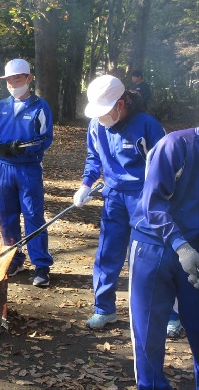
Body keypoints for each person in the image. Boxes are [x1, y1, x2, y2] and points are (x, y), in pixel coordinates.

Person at [73, 74, 165, 329]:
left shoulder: (147, 125)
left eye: (105, 112)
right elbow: (94, 157)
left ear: (120, 105)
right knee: (107, 252)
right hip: (113, 196)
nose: (101, 118)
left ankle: (166, 314)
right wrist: (85, 185)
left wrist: (157, 198)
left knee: (149, 256)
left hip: (143, 197)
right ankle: (104, 309)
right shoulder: (96, 125)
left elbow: (163, 166)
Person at [128, 127, 199, 389]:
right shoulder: (176, 146)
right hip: (152, 245)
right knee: (148, 334)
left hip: (196, 247)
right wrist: (181, 246)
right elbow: (153, 203)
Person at [0, 58, 54, 286]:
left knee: (33, 216)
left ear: (28, 79)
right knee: (7, 217)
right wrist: (0, 148)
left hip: (28, 169)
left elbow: (44, 138)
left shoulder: (39, 107)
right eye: (9, 81)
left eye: (18, 79)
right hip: (3, 169)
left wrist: (21, 149)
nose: (13, 85)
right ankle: (14, 258)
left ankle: (41, 265)